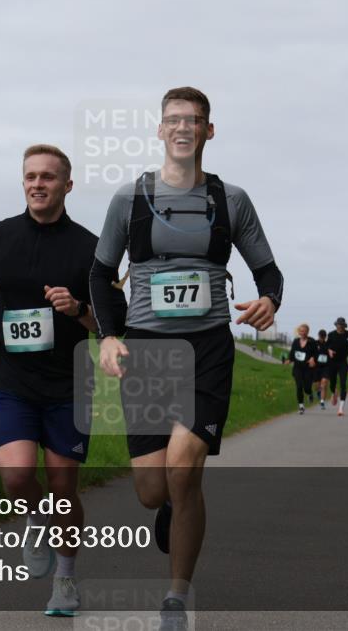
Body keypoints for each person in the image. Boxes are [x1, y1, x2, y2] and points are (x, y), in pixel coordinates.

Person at [89, 87, 283, 630]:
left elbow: (269, 271)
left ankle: (176, 596)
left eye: (193, 120)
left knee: (184, 464)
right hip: (147, 351)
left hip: (208, 349)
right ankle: (174, 506)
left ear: (208, 131)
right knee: (154, 491)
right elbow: (100, 275)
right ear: (159, 130)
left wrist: (269, 300)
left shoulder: (231, 200)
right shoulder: (128, 200)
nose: (182, 128)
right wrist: (108, 335)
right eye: (173, 120)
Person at [0, 144, 124, 616]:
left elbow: (118, 319)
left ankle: (65, 582)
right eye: (30, 176)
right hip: (12, 378)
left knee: (63, 486)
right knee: (15, 477)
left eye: (48, 177)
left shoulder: (92, 249)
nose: (38, 184)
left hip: (69, 385)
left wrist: (80, 311)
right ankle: (35, 518)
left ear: (67, 185)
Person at [283, 324, 317, 414]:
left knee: (306, 388)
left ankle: (310, 394)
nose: (302, 333)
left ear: (307, 332)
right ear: (298, 332)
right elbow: (292, 353)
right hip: (298, 368)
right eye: (300, 331)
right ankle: (301, 406)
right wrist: (289, 360)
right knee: (299, 386)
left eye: (304, 331)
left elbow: (316, 353)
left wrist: (313, 358)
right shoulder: (295, 341)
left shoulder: (312, 342)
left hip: (308, 368)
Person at [325, 317, 348, 416]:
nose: (340, 326)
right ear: (336, 325)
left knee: (343, 383)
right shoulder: (331, 334)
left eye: (342, 325)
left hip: (343, 362)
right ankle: (333, 392)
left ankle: (341, 408)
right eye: (338, 324)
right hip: (332, 362)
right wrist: (329, 350)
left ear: (344, 325)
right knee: (332, 383)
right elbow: (326, 346)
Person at [314, 329, 330, 409]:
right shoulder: (315, 344)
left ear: (325, 337)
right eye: (321, 336)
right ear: (318, 335)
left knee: (324, 384)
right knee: (317, 385)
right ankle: (318, 392)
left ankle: (322, 402)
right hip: (316, 367)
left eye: (323, 336)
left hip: (326, 367)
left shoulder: (328, 345)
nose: (322, 338)